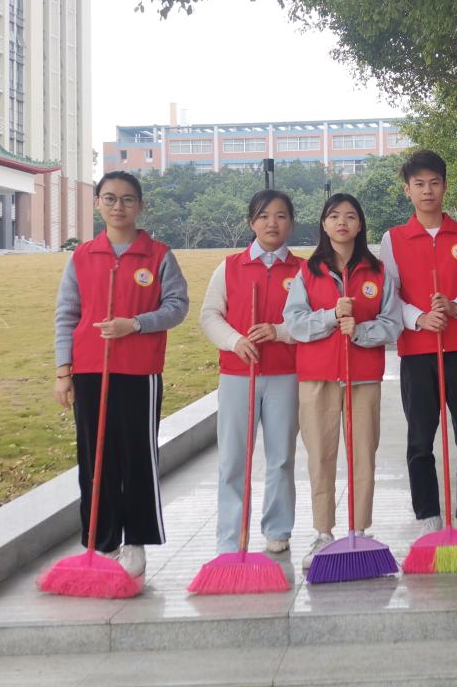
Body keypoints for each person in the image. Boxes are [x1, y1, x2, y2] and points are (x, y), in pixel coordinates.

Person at [53, 170, 189, 577]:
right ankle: (101, 541)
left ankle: (136, 540)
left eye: (127, 199)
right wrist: (63, 371)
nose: (118, 206)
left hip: (138, 372)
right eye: (110, 198)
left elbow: (177, 306)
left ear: (140, 206)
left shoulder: (158, 255)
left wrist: (137, 324)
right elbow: (66, 315)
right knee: (94, 458)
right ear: (97, 203)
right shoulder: (82, 257)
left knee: (137, 457)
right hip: (89, 370)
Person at [380, 149, 457, 548]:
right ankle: (428, 517)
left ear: (445, 186)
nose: (427, 191)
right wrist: (420, 318)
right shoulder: (393, 239)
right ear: (407, 190)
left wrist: (456, 307)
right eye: (419, 184)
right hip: (417, 354)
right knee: (420, 440)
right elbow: (389, 296)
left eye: (434, 183)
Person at [283, 194, 401, 570]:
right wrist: (330, 317)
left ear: (360, 224)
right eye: (334, 216)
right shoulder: (308, 272)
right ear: (324, 224)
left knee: (363, 454)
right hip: (317, 378)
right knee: (321, 456)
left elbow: (393, 323)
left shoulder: (378, 272)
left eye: (350, 216)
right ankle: (323, 532)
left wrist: (361, 330)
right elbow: (294, 323)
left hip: (363, 378)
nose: (342, 223)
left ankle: (360, 529)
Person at [199, 190, 302, 556]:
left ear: (291, 222)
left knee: (281, 457)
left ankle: (277, 528)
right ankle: (231, 537)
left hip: (285, 374)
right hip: (237, 376)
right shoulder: (230, 267)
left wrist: (280, 331)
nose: (272, 223)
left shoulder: (302, 271)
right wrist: (235, 341)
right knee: (233, 459)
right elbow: (209, 315)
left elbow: (312, 324)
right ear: (251, 222)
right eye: (263, 216)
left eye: (280, 216)